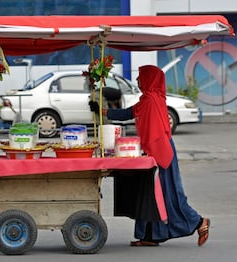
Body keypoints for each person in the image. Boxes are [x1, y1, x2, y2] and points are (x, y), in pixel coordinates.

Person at [89, 65, 210, 247]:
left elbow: (154, 132)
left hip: (159, 152)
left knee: (169, 195)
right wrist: (101, 111)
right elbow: (128, 113)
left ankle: (199, 222)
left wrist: (148, 153)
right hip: (158, 150)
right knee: (151, 195)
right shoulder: (150, 98)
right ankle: (150, 236)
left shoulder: (151, 100)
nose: (137, 81)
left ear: (150, 79)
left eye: (141, 77)